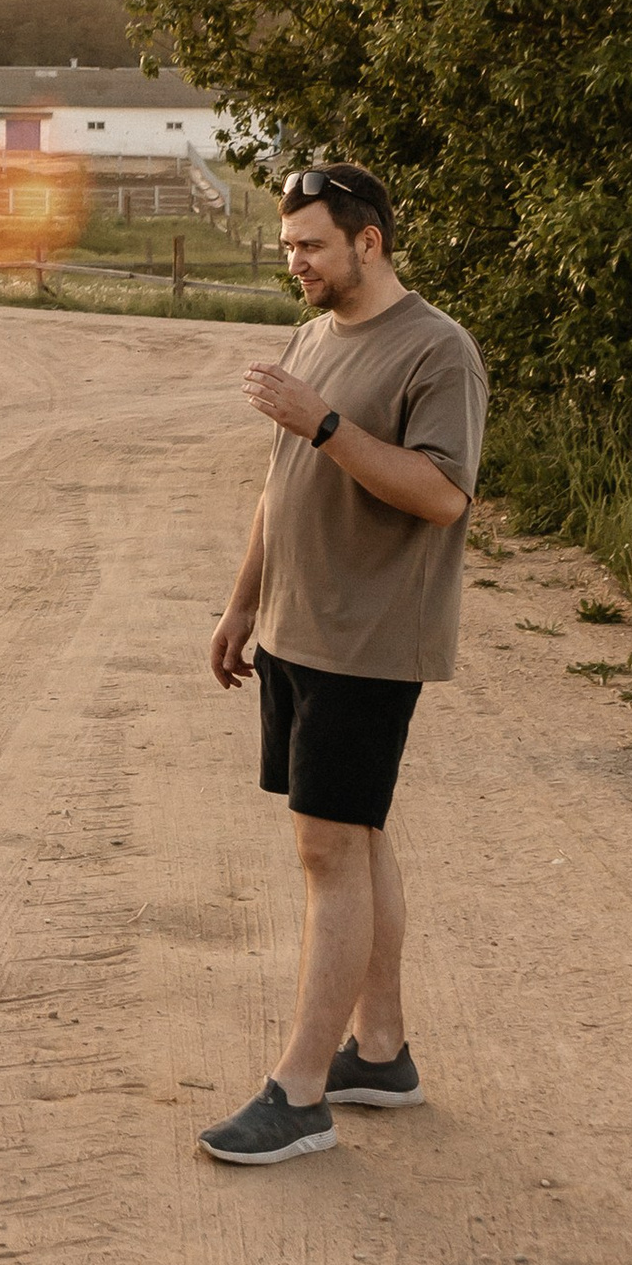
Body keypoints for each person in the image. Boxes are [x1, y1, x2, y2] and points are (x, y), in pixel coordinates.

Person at [198, 162, 488, 1168]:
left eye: (312, 246)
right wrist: (243, 600)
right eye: (287, 248)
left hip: (368, 639)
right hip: (292, 627)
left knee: (327, 847)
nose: (297, 264)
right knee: (356, 838)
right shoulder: (314, 334)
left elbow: (442, 495)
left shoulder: (436, 351)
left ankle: (301, 1092)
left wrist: (320, 422)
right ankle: (381, 1052)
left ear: (368, 241)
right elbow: (281, 482)